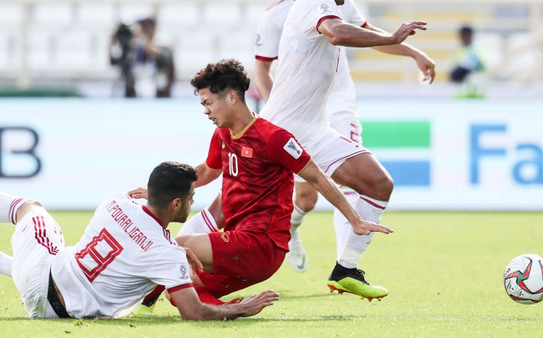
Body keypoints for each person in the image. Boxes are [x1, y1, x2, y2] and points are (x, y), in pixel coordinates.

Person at [253, 0, 436, 275]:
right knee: (236, 209)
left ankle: (346, 268)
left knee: (372, 183)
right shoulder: (298, 8)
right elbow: (333, 35)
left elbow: (359, 31)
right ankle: (169, 269)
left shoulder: (335, 1)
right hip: (283, 126)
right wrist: (276, 109)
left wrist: (411, 51)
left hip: (324, 116)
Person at [153, 59, 392, 305]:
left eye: (208, 103)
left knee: (177, 245)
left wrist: (354, 218)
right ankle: (235, 309)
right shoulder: (223, 134)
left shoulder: (274, 138)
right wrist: (161, 188)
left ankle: (142, 296)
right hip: (238, 246)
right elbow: (205, 172)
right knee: (178, 292)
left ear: (232, 97)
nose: (205, 110)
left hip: (261, 244)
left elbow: (316, 176)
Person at [0, 154, 279, 320]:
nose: (192, 202)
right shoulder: (168, 256)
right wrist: (241, 308)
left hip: (39, 274)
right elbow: (194, 312)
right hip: (52, 315)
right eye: (190, 198)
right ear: (176, 204)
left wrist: (172, 246)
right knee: (40, 221)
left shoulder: (115, 201)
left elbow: (138, 239)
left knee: (29, 210)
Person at [449, 25, 486, 98]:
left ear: (468, 36)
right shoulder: (463, 50)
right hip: (464, 97)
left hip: (474, 96)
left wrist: (457, 72)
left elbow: (459, 73)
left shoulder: (475, 51)